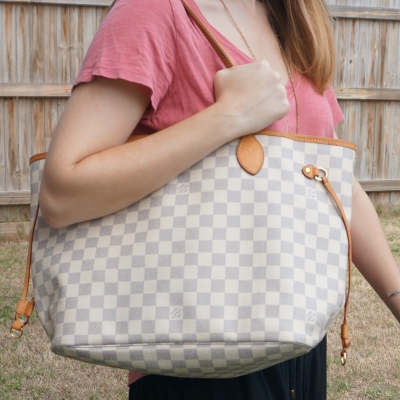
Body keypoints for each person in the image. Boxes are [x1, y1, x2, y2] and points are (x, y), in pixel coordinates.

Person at [38, 0, 400, 398]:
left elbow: (333, 179)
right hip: (197, 348)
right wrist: (226, 117)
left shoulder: (295, 19)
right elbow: (62, 191)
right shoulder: (153, 11)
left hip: (300, 336)